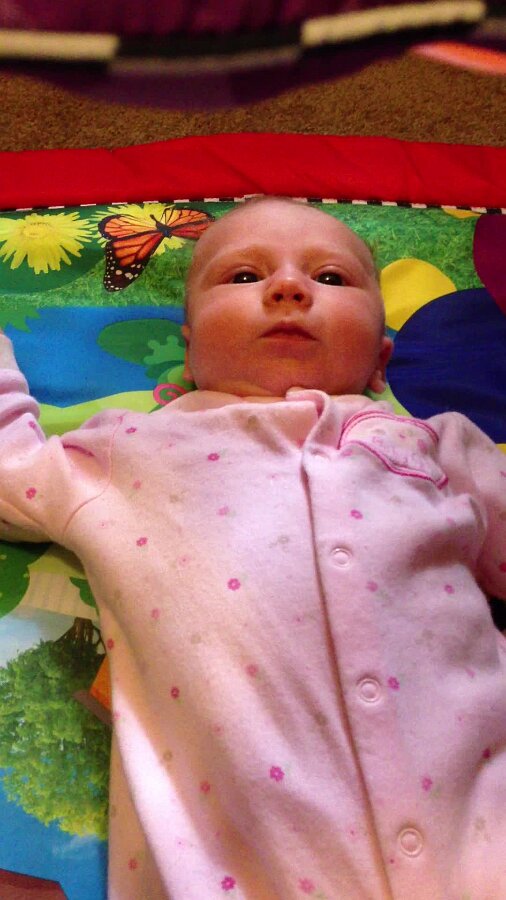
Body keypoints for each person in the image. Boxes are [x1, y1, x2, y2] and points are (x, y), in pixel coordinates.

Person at [1, 197, 506, 900]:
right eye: (244, 276)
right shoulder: (129, 451)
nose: (289, 287)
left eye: (330, 278)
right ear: (190, 349)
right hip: (245, 864)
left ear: (381, 360)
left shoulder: (435, 443)